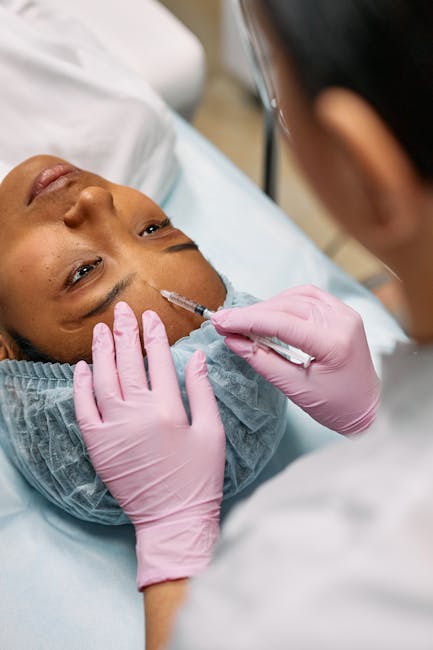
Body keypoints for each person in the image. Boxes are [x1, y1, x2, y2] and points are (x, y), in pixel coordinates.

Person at [73, 0, 433, 633]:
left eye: (156, 227)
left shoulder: (299, 588)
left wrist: (173, 546)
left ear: (364, 163)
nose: (92, 196)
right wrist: (380, 418)